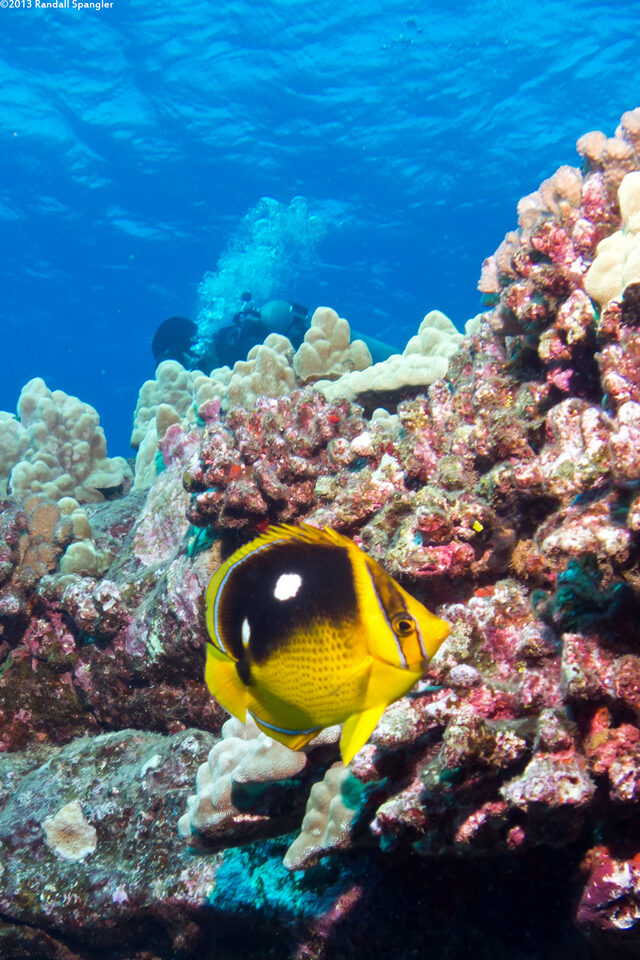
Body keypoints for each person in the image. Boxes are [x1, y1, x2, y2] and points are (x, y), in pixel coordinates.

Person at [151, 297, 310, 372]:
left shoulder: (243, 348)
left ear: (194, 350)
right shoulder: (223, 347)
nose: (190, 375)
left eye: (184, 365)